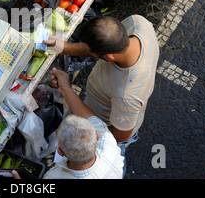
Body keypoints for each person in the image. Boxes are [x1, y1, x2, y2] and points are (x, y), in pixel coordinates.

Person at [44, 15, 159, 172]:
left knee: (107, 164)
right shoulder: (138, 24)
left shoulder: (127, 95)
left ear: (109, 57)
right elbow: (103, 47)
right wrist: (64, 47)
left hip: (106, 129)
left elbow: (118, 137)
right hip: (96, 108)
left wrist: (89, 141)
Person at [12, 112, 124, 179]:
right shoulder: (109, 143)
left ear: (60, 152)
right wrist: (66, 88)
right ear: (97, 136)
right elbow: (92, 118)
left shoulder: (56, 177)